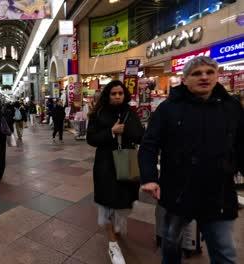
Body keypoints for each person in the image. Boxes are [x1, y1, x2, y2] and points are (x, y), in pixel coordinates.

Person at [139, 56, 244, 264]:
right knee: (170, 243)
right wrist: (149, 177)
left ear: (216, 75)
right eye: (197, 73)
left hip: (219, 192)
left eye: (209, 72)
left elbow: (242, 145)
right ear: (185, 79)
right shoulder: (168, 108)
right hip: (178, 191)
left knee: (224, 252)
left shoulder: (231, 107)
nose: (204, 77)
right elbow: (149, 145)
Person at [86, 80, 143, 264]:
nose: (117, 96)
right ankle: (112, 244)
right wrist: (111, 132)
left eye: (120, 93)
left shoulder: (130, 113)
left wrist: (125, 132)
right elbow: (91, 139)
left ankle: (117, 224)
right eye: (113, 93)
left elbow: (139, 135)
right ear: (107, 95)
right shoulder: (98, 114)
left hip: (126, 159)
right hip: (105, 164)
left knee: (126, 200)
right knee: (106, 201)